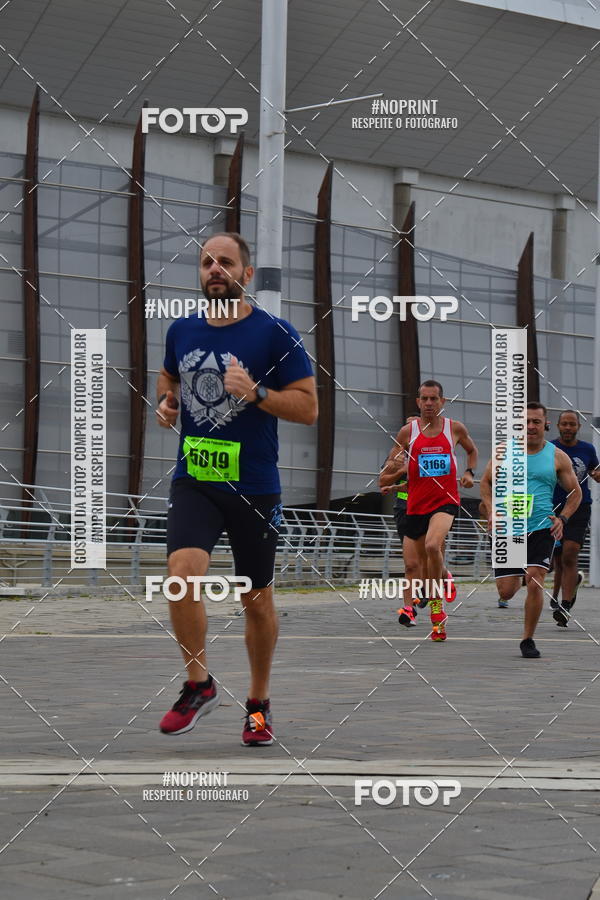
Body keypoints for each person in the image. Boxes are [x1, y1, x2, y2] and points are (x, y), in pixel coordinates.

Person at [155, 232, 317, 745]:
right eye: (206, 262)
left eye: (225, 262)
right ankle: (199, 684)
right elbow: (167, 379)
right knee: (181, 576)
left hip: (254, 487)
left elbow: (309, 408)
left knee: (257, 599)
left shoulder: (275, 333)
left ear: (246, 275)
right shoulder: (181, 329)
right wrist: (167, 403)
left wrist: (258, 392)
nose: (214, 269)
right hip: (196, 478)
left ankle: (258, 703)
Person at [480, 402, 582, 658]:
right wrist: (491, 509)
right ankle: (522, 575)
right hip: (508, 529)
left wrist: (563, 519)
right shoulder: (504, 452)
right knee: (506, 590)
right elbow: (486, 482)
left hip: (541, 527)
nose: (530, 426)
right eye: (525, 422)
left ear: (545, 424)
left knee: (536, 580)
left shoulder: (557, 456)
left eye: (536, 421)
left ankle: (528, 639)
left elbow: (575, 493)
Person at [381, 382, 477, 641]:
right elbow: (388, 468)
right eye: (424, 398)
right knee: (413, 565)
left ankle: (437, 609)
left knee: (434, 546)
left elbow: (472, 450)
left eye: (434, 398)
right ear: (418, 402)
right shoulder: (406, 432)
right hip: (415, 505)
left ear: (442, 401)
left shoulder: (454, 428)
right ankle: (442, 581)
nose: (429, 403)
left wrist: (469, 472)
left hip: (445, 501)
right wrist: (395, 464)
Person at [549, 410, 600, 626]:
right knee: (557, 560)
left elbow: (595, 470)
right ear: (558, 426)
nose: (568, 428)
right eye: (564, 424)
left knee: (570, 554)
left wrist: (597, 474)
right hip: (551, 507)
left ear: (578, 426)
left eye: (572, 424)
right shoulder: (549, 448)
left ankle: (565, 606)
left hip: (579, 506)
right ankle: (568, 588)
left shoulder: (587, 449)